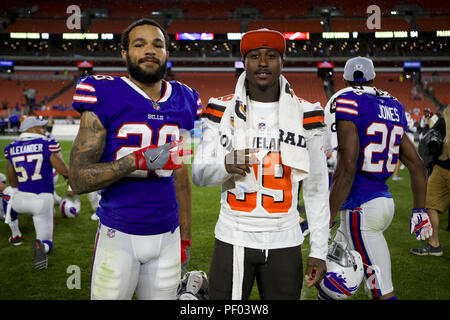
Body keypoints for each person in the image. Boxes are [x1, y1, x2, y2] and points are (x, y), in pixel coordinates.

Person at [192, 28, 330, 300]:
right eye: (255, 56)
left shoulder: (308, 112)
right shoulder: (220, 108)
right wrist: (225, 165)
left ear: (282, 61)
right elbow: (198, 174)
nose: (263, 63)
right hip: (234, 235)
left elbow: (316, 187)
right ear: (244, 62)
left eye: (271, 55)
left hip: (285, 238)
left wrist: (319, 250)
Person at [69, 18, 202, 300]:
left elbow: (180, 174)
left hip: (168, 235)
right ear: (125, 54)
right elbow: (78, 179)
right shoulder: (104, 92)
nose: (149, 51)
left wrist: (186, 237)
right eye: (139, 44)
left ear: (167, 52)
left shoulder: (185, 98)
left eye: (157, 44)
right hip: (118, 234)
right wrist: (134, 161)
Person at [324, 56, 431, 300]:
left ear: (345, 78)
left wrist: (326, 217)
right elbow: (416, 163)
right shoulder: (393, 105)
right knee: (331, 279)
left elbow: (347, 165)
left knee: (381, 291)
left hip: (359, 209)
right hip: (382, 202)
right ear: (373, 77)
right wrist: (420, 211)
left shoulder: (348, 100)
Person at [3, 116, 69, 269]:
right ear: (31, 129)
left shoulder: (12, 147)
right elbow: (62, 170)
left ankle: (15, 233)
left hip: (20, 201)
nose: (43, 129)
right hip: (41, 199)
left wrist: (14, 189)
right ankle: (42, 248)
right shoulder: (46, 144)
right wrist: (69, 178)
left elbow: (11, 178)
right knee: (45, 241)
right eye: (40, 127)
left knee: (8, 193)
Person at [411, 105, 450, 256]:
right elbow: (434, 136)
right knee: (429, 203)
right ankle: (434, 244)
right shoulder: (446, 114)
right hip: (441, 167)